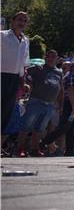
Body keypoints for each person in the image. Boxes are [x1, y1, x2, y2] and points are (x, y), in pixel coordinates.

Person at [16, 50, 63, 156]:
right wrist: (28, 83)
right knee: (26, 126)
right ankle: (19, 149)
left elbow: (61, 88)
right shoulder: (38, 68)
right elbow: (23, 72)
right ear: (45, 58)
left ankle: (34, 149)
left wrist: (60, 104)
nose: (50, 58)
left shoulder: (59, 72)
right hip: (36, 100)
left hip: (50, 103)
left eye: (52, 56)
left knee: (40, 128)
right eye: (48, 56)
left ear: (57, 59)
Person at [41, 60, 74, 156]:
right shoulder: (71, 75)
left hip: (73, 102)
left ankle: (70, 150)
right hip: (70, 103)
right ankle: (43, 143)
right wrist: (73, 106)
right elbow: (70, 91)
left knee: (72, 128)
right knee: (63, 127)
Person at [1, 12, 30, 151]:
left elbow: (23, 65)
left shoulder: (25, 41)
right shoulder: (2, 36)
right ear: (12, 21)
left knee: (6, 113)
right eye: (19, 19)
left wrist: (23, 83)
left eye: (25, 20)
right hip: (1, 76)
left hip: (14, 80)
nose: (22, 22)